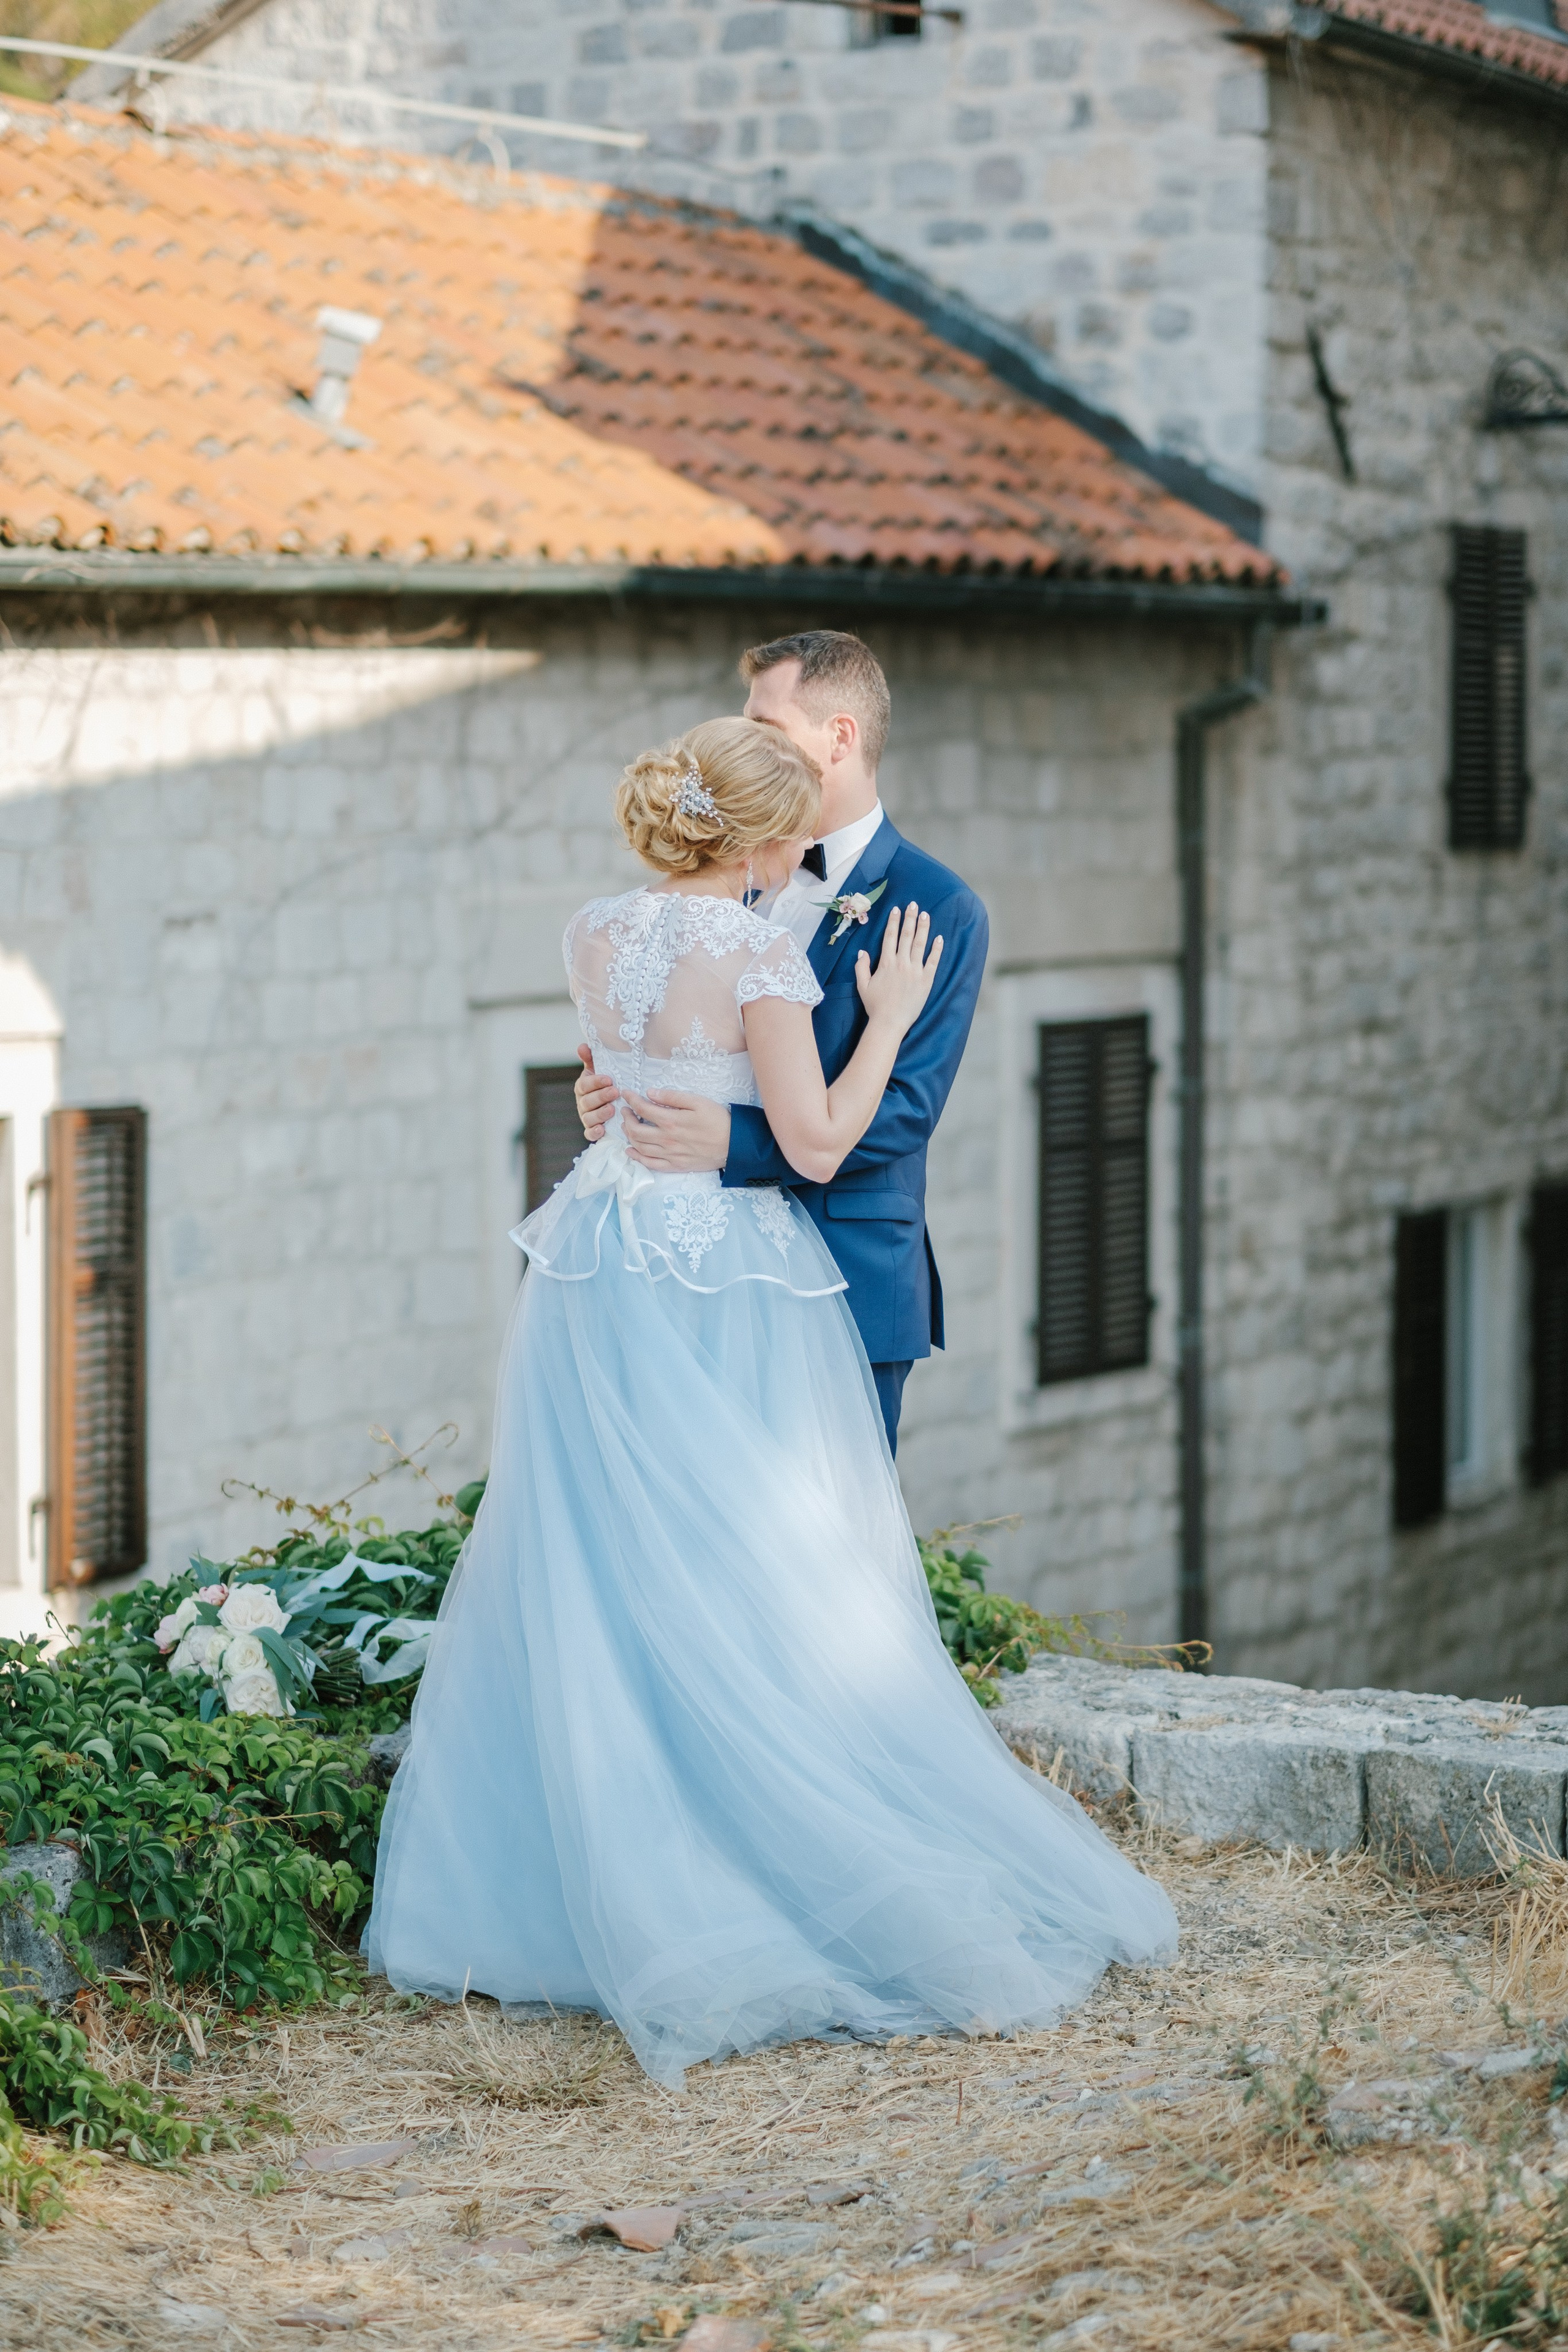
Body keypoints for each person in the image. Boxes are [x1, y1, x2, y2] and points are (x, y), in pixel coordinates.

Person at [364, 714, 1177, 2089]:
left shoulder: (590, 934)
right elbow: (812, 1139)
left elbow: (616, 1083)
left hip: (597, 1261)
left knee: (604, 1559)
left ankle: (583, 1888)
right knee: (765, 1569)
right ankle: (755, 1861)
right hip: (716, 1271)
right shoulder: (758, 952)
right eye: (788, 826)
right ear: (748, 837)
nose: (806, 845)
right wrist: (896, 1022)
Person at [575, 630, 984, 1455]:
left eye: (769, 727)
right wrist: (612, 1101)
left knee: (819, 1552)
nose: (747, 744)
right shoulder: (724, 869)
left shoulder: (938, 905)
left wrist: (731, 1143)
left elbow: (906, 1111)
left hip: (847, 1275)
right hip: (687, 1269)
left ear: (839, 739)